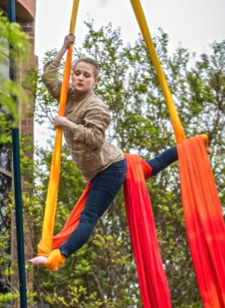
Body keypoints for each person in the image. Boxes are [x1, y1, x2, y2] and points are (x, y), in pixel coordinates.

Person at [30, 33, 178, 265]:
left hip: (109, 168)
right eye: (77, 73)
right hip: (103, 166)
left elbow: (95, 138)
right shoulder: (68, 97)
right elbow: (49, 76)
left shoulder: (97, 106)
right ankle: (191, 147)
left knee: (88, 216)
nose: (79, 78)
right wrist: (63, 48)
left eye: (86, 75)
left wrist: (68, 124)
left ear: (94, 81)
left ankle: (59, 257)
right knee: (151, 166)